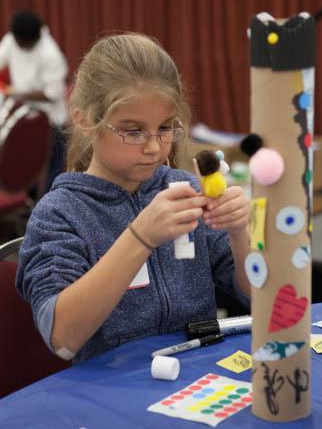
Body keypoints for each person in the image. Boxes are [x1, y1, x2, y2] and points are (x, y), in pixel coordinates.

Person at [16, 33, 250, 363]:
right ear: (85, 120)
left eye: (166, 128)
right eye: (133, 131)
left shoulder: (184, 190)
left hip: (197, 375)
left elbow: (257, 297)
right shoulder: (59, 214)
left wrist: (240, 233)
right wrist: (141, 237)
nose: (154, 147)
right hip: (113, 390)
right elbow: (63, 338)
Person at [0, 9, 69, 189]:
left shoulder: (50, 54)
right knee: (22, 168)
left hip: (51, 121)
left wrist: (16, 92)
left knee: (50, 177)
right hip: (23, 114)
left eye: (23, 43)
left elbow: (52, 93)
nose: (19, 46)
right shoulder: (11, 40)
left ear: (33, 39)